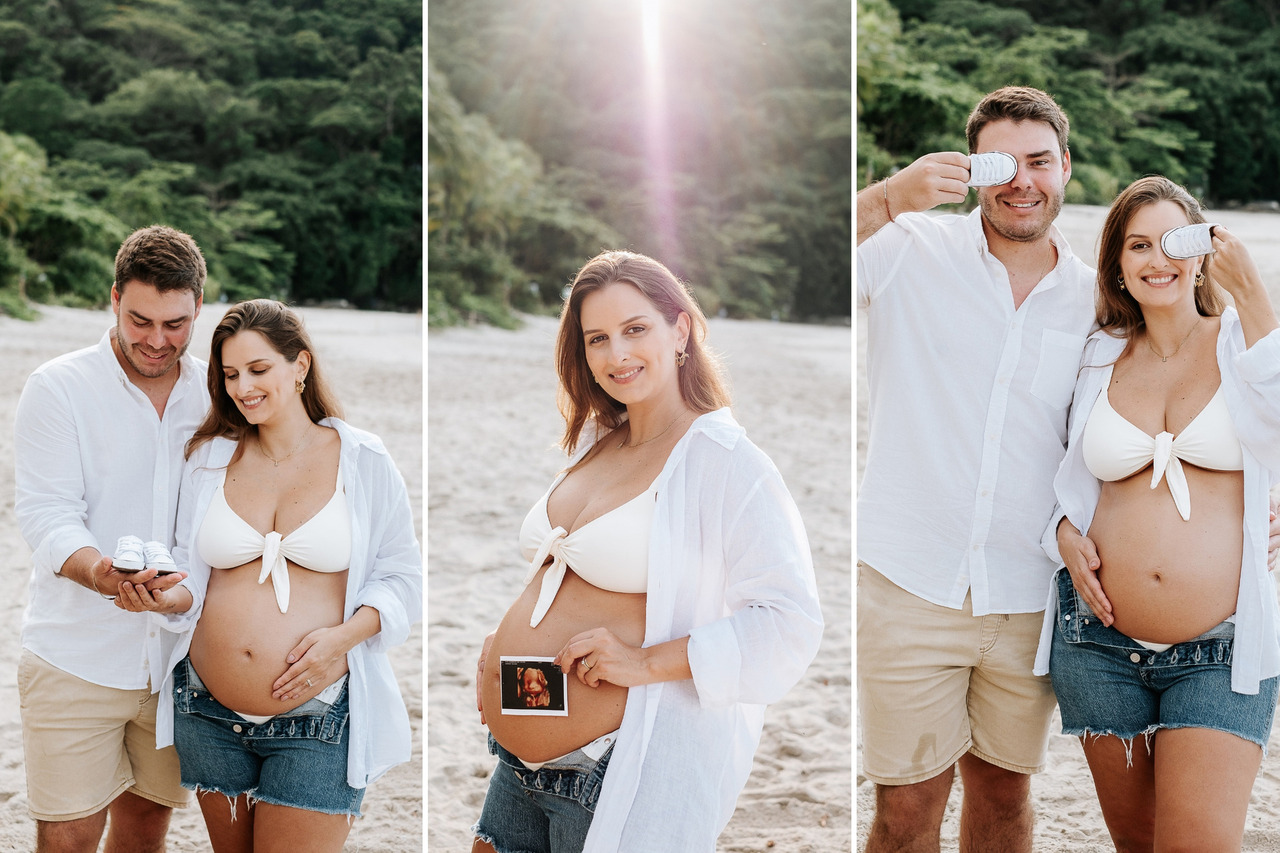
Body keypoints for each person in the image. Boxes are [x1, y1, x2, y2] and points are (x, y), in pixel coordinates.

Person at [470, 250, 823, 851]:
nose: (617, 354)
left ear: (680, 329)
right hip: (517, 766)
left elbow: (789, 621)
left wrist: (644, 662)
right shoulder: (596, 440)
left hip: (612, 769)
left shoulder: (727, 462)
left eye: (635, 330)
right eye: (597, 338)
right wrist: (496, 652)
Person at [855, 86, 1098, 850]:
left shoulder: (1096, 297)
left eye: (1039, 161)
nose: (1022, 180)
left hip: (1027, 592)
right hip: (909, 577)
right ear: (971, 169)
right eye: (1002, 162)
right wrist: (893, 194)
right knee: (908, 807)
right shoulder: (908, 248)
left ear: (1066, 168)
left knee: (1002, 795)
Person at [113, 299, 422, 852]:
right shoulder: (209, 458)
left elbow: (401, 578)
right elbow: (191, 581)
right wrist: (162, 598)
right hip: (206, 712)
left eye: (259, 370)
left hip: (317, 717)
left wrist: (341, 642)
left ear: (300, 366)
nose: (242, 388)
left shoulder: (362, 458)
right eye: (230, 374)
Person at [1034, 176, 1280, 850]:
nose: (1156, 259)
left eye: (1174, 241)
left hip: (1223, 649)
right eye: (1138, 244)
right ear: (1117, 263)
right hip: (1097, 644)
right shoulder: (1098, 355)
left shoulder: (1242, 340)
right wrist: (1060, 530)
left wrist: (1254, 295)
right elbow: (1048, 471)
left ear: (1203, 251)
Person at [14, 225, 208, 852]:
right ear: (114, 298)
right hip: (76, 655)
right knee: (67, 838)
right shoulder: (57, 386)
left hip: (177, 664)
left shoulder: (218, 394)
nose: (156, 340)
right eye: (140, 320)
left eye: (175, 324)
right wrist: (102, 574)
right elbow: (46, 512)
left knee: (145, 832)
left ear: (199, 308)